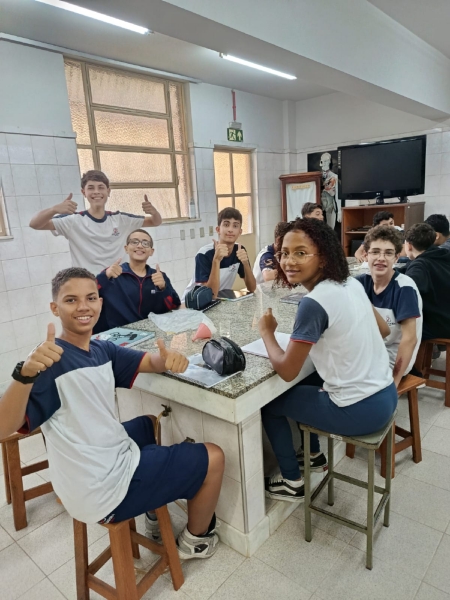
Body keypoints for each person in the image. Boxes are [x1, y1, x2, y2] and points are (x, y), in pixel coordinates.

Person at [0, 268, 224, 559]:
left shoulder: (100, 349)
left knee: (147, 424)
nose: (83, 306)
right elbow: (4, 426)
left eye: (90, 298)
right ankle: (196, 542)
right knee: (214, 457)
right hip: (102, 491)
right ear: (55, 308)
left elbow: (149, 362)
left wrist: (167, 359)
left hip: (85, 477)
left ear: (100, 303)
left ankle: (152, 507)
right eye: (71, 300)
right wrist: (24, 375)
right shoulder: (50, 362)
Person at [258, 218, 395, 501]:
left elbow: (287, 370)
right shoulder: (350, 283)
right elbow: (383, 330)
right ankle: (313, 455)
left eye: (300, 253)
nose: (289, 261)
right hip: (386, 394)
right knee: (308, 381)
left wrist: (267, 333)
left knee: (271, 406)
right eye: (284, 253)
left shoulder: (313, 303)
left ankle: (292, 481)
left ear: (323, 257)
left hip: (358, 410)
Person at [29, 170, 162, 276]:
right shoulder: (73, 220)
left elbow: (155, 222)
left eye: (101, 187)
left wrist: (154, 212)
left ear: (108, 191)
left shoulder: (121, 219)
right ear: (84, 192)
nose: (96, 192)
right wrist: (54, 209)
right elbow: (35, 224)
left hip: (119, 281)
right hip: (88, 285)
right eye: (91, 188)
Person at [355, 225, 422, 387]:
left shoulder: (404, 288)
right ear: (366, 255)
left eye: (388, 253)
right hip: (369, 351)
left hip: (392, 357)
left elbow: (409, 340)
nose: (381, 258)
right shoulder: (359, 283)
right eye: (375, 252)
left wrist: (394, 382)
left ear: (396, 258)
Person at [95, 229, 181, 333]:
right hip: (118, 335)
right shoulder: (113, 274)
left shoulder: (159, 276)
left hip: (151, 333)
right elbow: (89, 294)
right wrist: (104, 276)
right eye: (134, 242)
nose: (140, 246)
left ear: (151, 251)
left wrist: (163, 288)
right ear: (126, 248)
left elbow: (175, 305)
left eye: (145, 243)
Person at [182, 207, 257, 300]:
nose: (230, 230)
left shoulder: (239, 250)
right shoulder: (204, 254)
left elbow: (252, 288)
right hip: (192, 302)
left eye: (235, 226)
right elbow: (210, 295)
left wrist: (245, 263)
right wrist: (216, 261)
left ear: (240, 232)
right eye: (226, 225)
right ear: (218, 230)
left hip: (219, 300)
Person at [405, 223, 450, 341]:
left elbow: (407, 290)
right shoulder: (443, 255)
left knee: (396, 324)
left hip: (442, 325)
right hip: (446, 316)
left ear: (409, 245)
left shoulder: (420, 266)